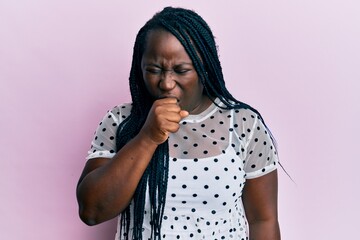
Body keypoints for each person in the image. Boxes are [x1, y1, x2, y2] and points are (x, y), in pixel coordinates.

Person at [76, 6, 281, 240]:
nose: (166, 83)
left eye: (181, 70)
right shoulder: (121, 121)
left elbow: (263, 220)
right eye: (153, 70)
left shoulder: (244, 124)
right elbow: (91, 211)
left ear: (205, 68)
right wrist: (148, 136)